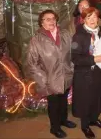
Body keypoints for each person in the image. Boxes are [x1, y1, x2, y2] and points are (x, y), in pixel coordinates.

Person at [27, 10, 76, 138]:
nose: (51, 21)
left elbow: (72, 54)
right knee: (54, 104)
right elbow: (32, 63)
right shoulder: (36, 40)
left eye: (53, 18)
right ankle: (55, 128)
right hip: (50, 79)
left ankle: (63, 120)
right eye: (47, 19)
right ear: (41, 22)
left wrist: (71, 69)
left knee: (63, 101)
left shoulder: (65, 34)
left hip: (65, 75)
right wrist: (44, 80)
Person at [71, 7, 101, 139]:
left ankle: (94, 119)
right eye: (89, 17)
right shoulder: (79, 35)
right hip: (84, 74)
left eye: (95, 17)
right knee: (85, 101)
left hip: (98, 72)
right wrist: (93, 59)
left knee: (97, 98)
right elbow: (75, 58)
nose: (92, 20)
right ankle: (85, 125)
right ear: (83, 19)